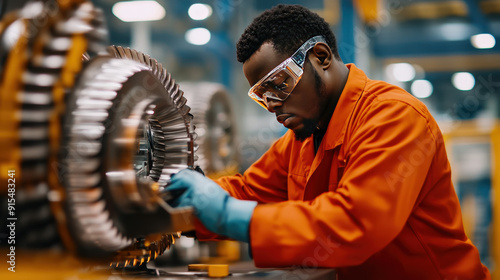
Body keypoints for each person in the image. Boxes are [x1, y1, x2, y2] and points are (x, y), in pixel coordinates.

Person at [167, 4, 490, 280]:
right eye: (262, 96)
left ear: (320, 56)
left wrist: (226, 214)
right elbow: (249, 191)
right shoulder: (301, 138)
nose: (273, 104)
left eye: (279, 85)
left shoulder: (394, 117)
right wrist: (177, 204)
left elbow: (355, 224)